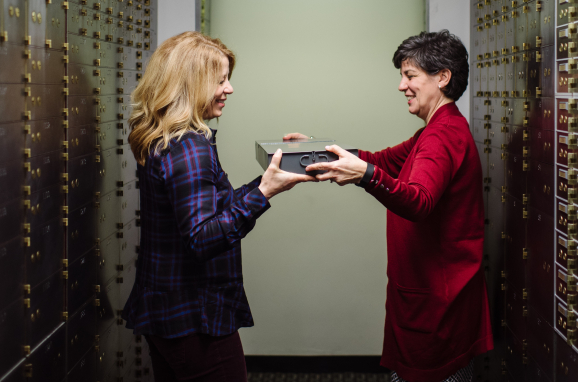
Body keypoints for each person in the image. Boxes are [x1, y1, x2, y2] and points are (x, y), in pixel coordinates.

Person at [287, 30, 493, 382]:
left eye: (410, 75)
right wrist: (323, 153)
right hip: (428, 295)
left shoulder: (443, 135)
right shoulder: (435, 130)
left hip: (439, 304)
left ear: (443, 77)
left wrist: (365, 176)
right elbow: (383, 161)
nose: (402, 86)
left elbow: (419, 201)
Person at [124, 31, 314, 382]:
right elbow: (202, 238)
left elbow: (211, 208)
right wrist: (263, 194)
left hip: (168, 311)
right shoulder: (189, 147)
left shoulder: (166, 138)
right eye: (221, 80)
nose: (229, 89)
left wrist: (267, 183)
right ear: (191, 84)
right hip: (194, 319)